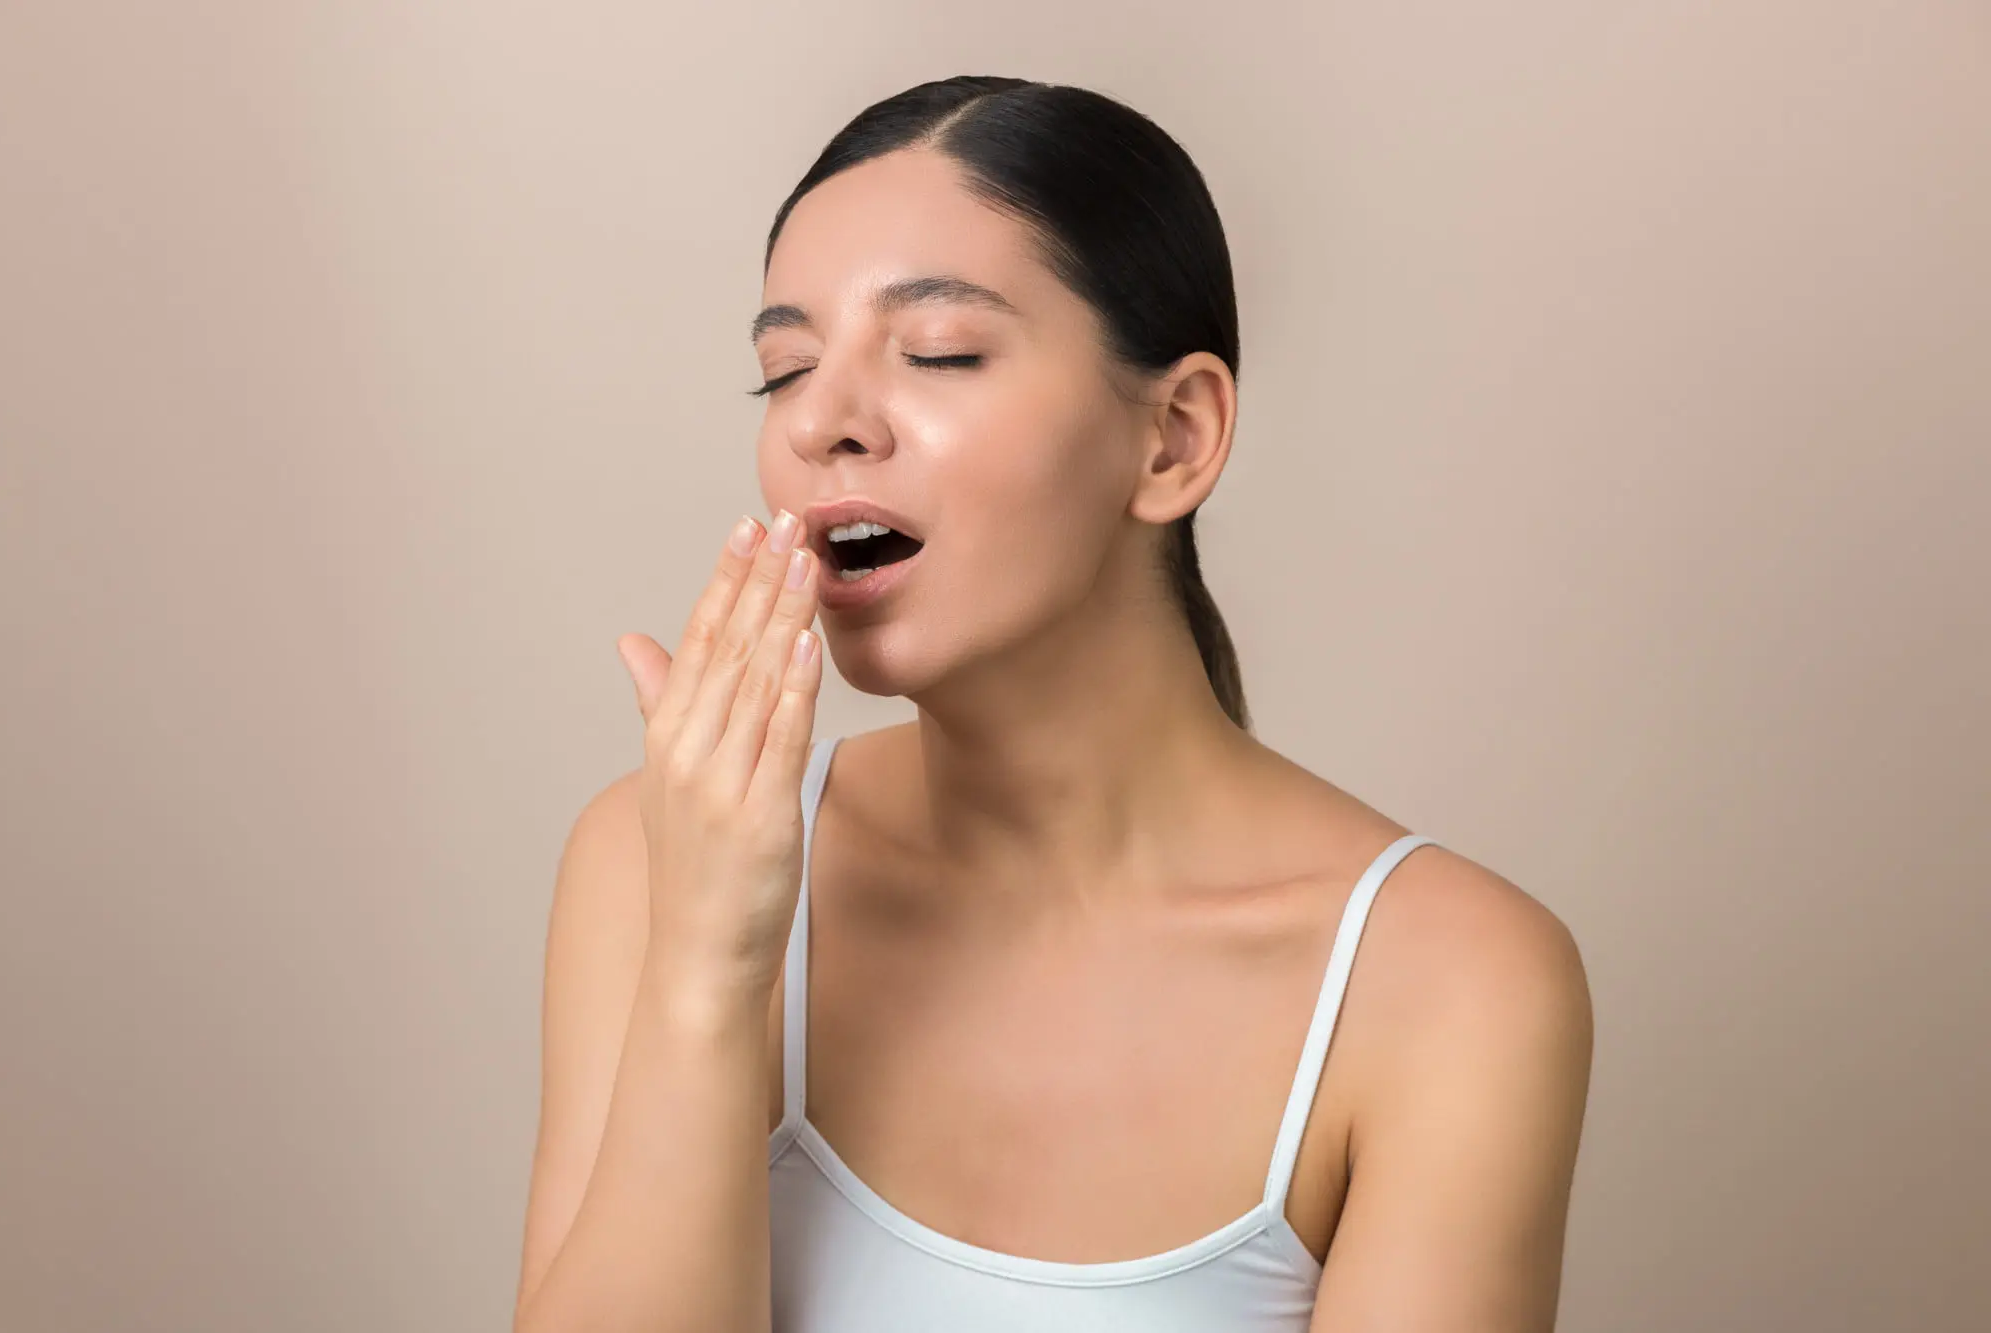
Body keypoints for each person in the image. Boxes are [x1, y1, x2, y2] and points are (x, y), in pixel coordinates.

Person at [510, 76, 1593, 1333]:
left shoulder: (1450, 985)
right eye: (784, 370)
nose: (821, 422)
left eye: (938, 353)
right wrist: (704, 970)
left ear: (1174, 438)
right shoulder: (651, 864)